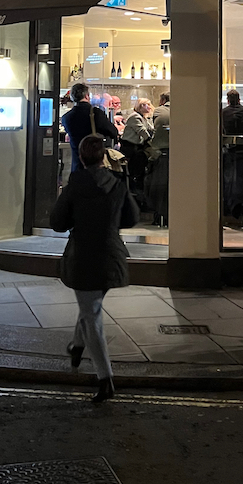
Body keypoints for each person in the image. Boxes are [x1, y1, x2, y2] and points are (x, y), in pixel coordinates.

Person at [50, 134, 139, 404]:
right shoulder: (118, 184)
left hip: (84, 257)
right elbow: (132, 218)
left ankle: (105, 378)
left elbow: (57, 222)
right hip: (111, 256)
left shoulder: (75, 185)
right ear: (103, 157)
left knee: (92, 316)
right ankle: (77, 346)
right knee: (91, 307)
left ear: (81, 157)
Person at [61, 83, 119, 173]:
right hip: (95, 166)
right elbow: (113, 132)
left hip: (77, 167)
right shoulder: (96, 113)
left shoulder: (66, 118)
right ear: (87, 96)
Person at [120, 99, 154, 190]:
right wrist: (151, 142)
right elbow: (142, 131)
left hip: (136, 147)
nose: (150, 107)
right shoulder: (135, 116)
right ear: (141, 106)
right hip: (130, 148)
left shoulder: (143, 117)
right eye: (147, 105)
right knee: (135, 169)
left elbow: (150, 129)